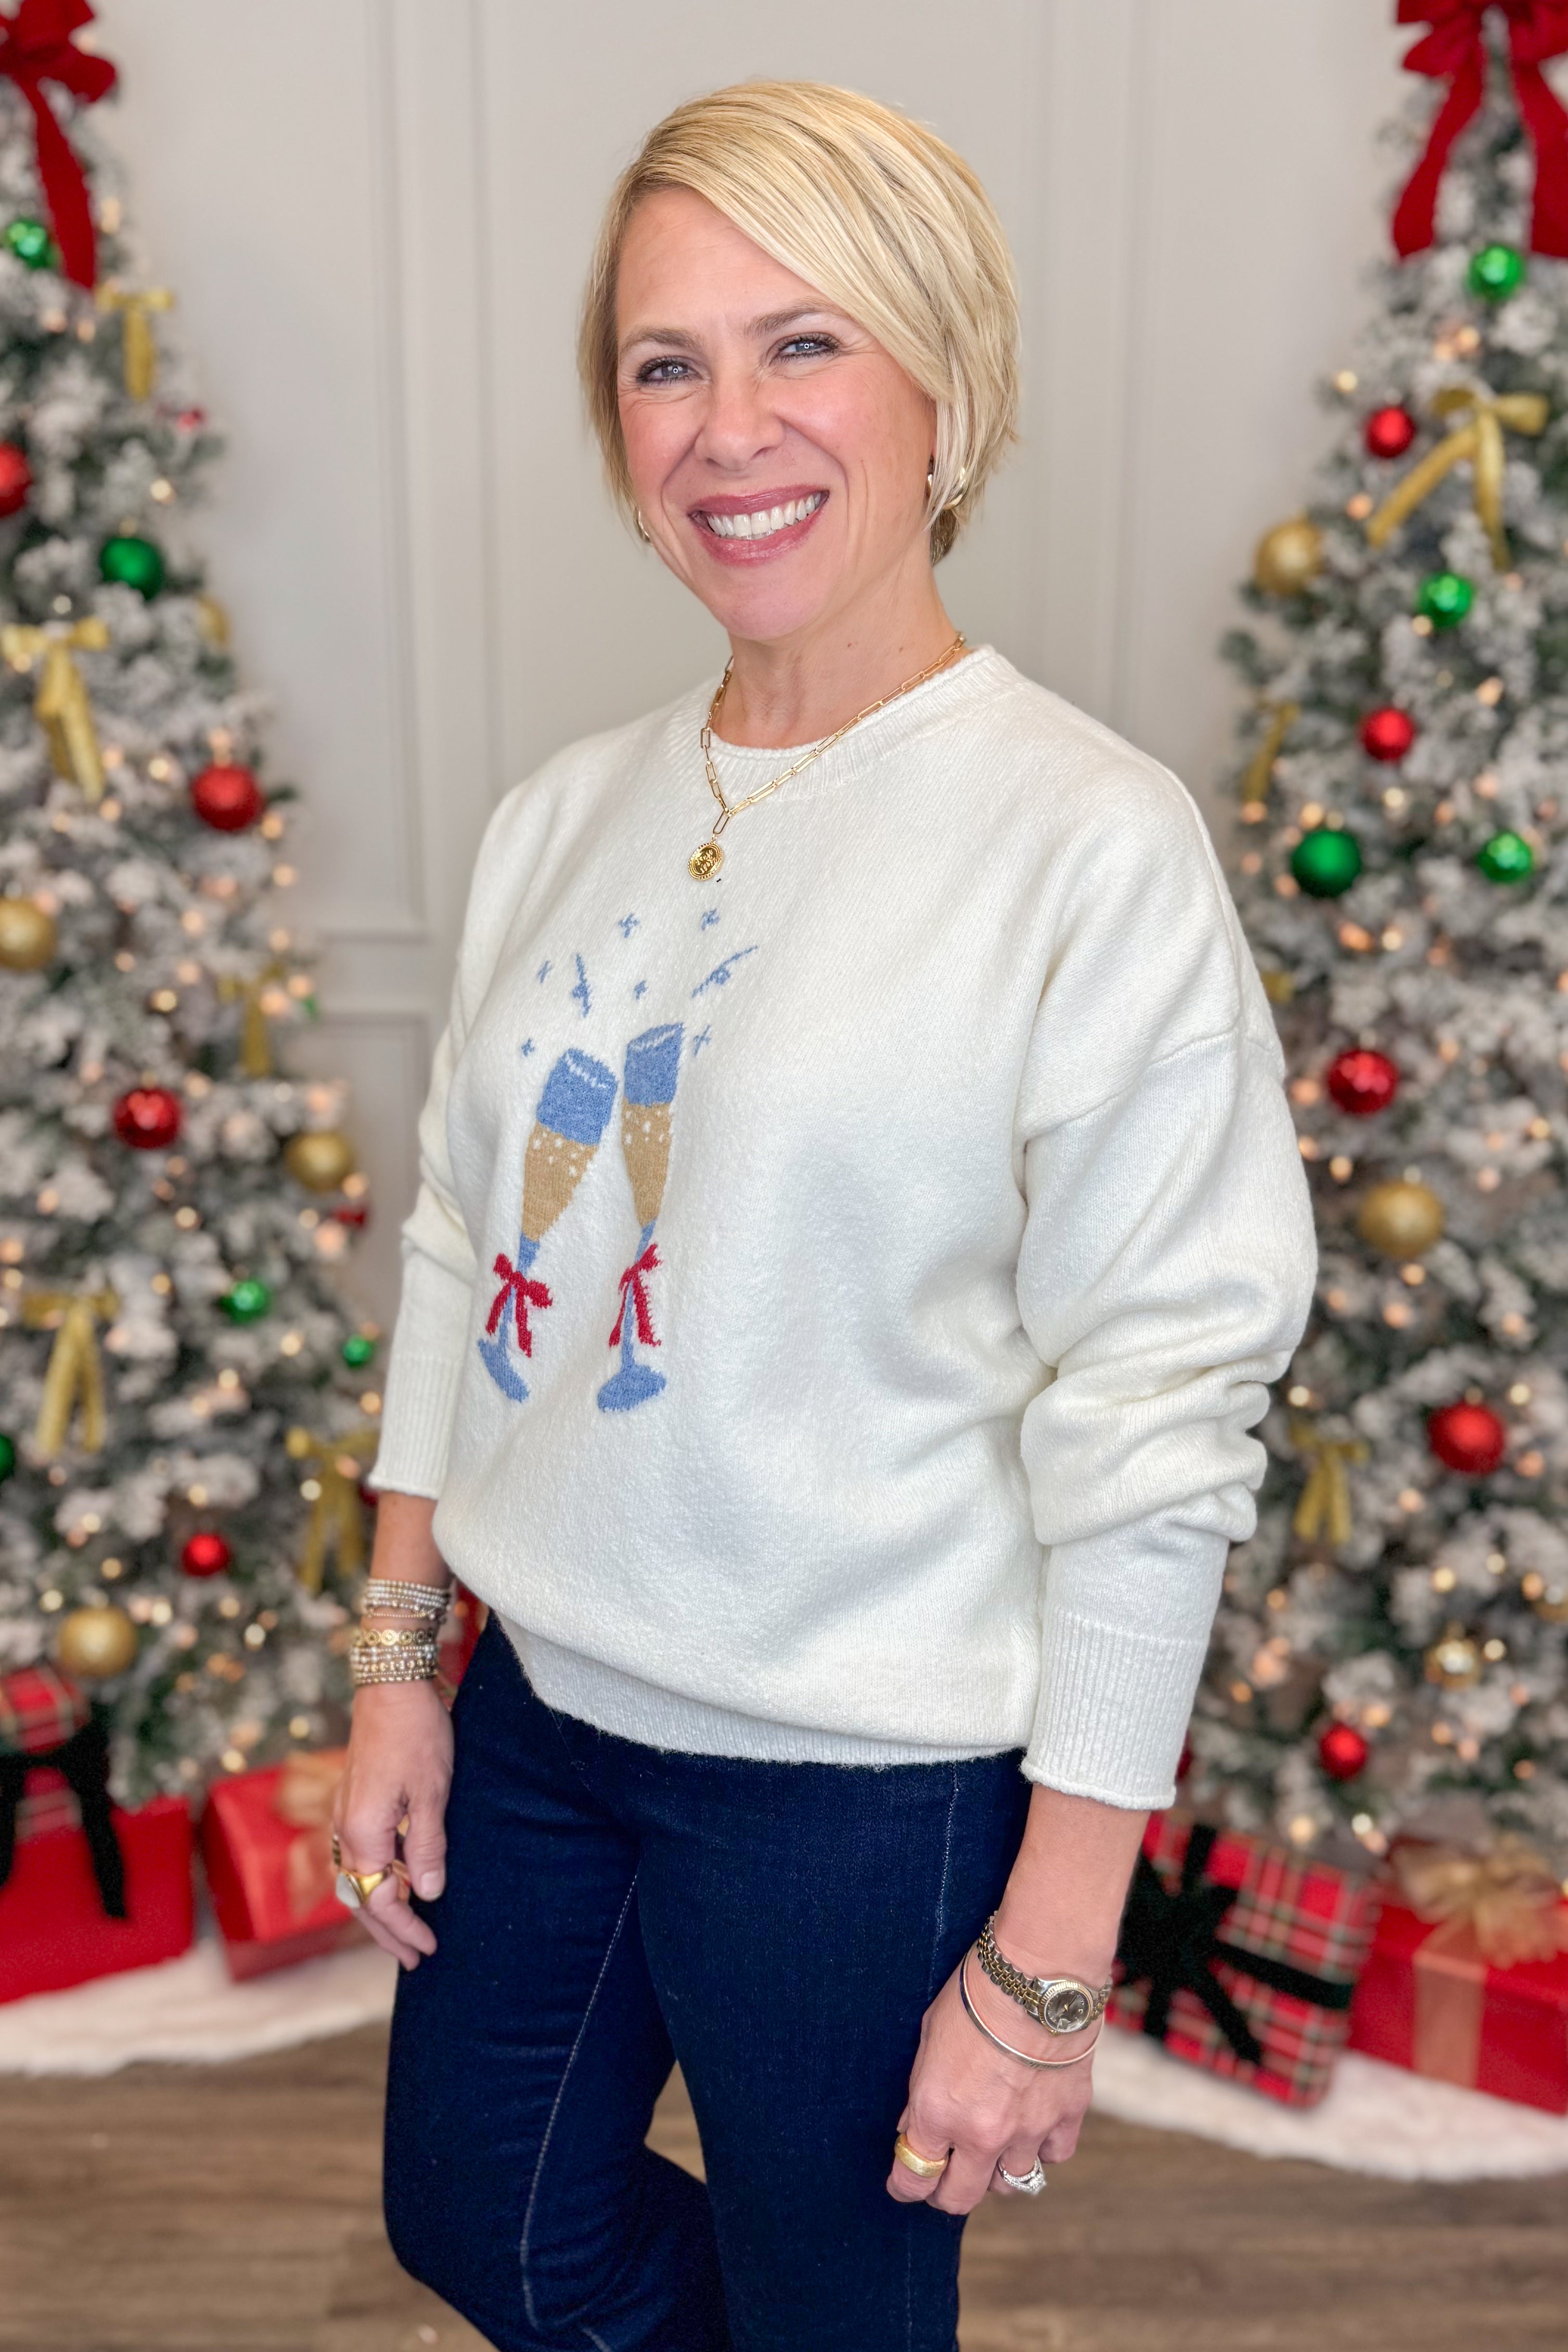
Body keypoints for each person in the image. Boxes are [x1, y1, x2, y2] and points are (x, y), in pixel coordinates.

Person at [332, 78, 1316, 2352]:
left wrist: (1047, 1961)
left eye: (804, 346)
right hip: (546, 1713)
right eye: (664, 362)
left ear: (944, 392)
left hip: (859, 1793)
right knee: (484, 2227)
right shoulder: (564, 809)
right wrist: (400, 1660)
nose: (723, 427)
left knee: (831, 2307)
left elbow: (1160, 1417)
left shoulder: (1085, 844)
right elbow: (463, 1236)